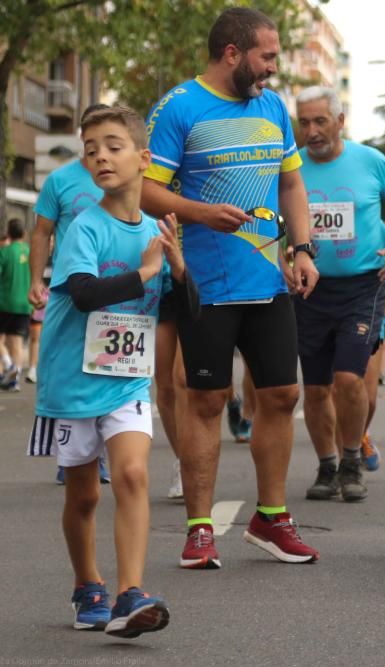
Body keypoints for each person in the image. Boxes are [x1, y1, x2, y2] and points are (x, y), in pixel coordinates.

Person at [141, 7, 320, 567]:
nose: (273, 68)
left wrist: (303, 247)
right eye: (267, 56)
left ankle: (271, 518)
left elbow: (291, 182)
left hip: (268, 278)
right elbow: (147, 192)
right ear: (233, 54)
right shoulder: (178, 107)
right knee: (207, 400)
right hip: (206, 283)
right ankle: (199, 529)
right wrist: (198, 212)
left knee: (282, 395)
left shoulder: (272, 107)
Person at [27, 106, 194, 637]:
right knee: (84, 495)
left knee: (132, 474)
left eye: (113, 145)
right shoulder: (85, 228)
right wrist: (146, 270)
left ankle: (130, 595)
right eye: (91, 147)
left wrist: (178, 269)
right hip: (73, 379)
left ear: (144, 158)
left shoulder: (156, 229)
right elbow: (82, 295)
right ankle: (87, 586)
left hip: (127, 378)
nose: (100, 155)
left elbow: (181, 310)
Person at [294, 85, 385, 503]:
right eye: (304, 122)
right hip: (311, 289)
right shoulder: (292, 167)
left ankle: (351, 459)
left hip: (363, 284)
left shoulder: (370, 161)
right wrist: (284, 260)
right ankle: (327, 466)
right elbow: (276, 224)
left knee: (349, 378)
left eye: (320, 121)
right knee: (315, 388)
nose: (311, 131)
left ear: (340, 121)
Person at [29, 104, 113, 485]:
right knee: (70, 373)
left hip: (116, 291)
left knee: (107, 370)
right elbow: (41, 232)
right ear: (82, 137)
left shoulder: (123, 178)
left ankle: (98, 453)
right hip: (71, 291)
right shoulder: (60, 180)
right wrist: (36, 280)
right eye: (92, 137)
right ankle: (72, 454)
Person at [0, 219, 31, 391]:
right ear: (24, 233)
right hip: (25, 304)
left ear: (9, 233)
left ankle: (9, 364)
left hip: (4, 302)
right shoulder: (30, 251)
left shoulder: (4, 252)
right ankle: (15, 380)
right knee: (17, 342)